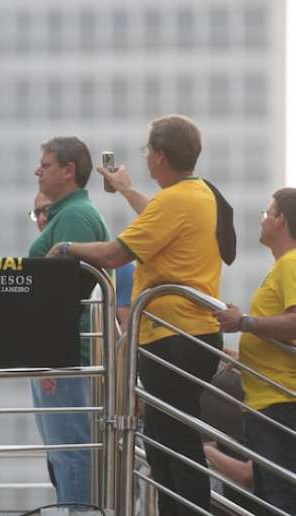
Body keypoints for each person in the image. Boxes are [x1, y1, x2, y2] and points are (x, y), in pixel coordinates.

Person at [47, 115, 227, 515]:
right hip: (186, 336)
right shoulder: (196, 195)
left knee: (176, 444)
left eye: (148, 152)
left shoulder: (176, 200)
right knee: (165, 444)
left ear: (160, 156)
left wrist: (67, 248)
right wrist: (127, 190)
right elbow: (158, 217)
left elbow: (113, 254)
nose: (146, 159)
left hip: (175, 338)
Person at [28, 136, 111, 505]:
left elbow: (63, 293)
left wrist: (49, 352)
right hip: (56, 349)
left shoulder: (76, 217)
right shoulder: (67, 215)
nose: (38, 171)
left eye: (45, 165)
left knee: (70, 451)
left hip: (62, 351)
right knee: (62, 453)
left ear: (68, 170)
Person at [214, 188, 296, 514]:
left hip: (279, 402)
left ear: (281, 221)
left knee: (280, 501)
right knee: (269, 499)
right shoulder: (283, 266)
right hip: (267, 401)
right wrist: (244, 358)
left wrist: (244, 322)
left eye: (267, 212)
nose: (262, 219)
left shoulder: (291, 264)